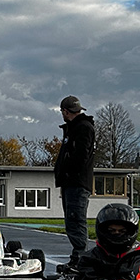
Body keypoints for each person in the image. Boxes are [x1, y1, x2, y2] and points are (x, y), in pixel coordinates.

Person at [54, 95, 96, 270]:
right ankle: (77, 257)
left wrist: (68, 170)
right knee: (71, 221)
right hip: (70, 182)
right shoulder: (72, 128)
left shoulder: (83, 128)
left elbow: (80, 156)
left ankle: (80, 259)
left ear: (65, 111)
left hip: (77, 181)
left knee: (76, 219)